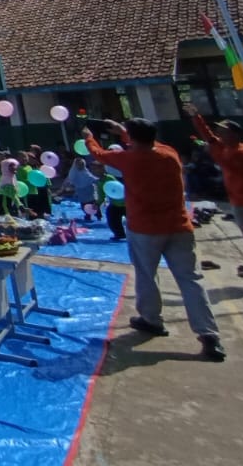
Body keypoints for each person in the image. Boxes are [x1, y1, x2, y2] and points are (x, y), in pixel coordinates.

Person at [84, 120, 225, 361]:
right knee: (191, 280)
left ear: (132, 139)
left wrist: (89, 136)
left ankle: (151, 319)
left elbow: (99, 154)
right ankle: (209, 335)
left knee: (147, 275)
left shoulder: (129, 159)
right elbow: (148, 144)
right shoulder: (168, 153)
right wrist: (124, 132)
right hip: (179, 227)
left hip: (145, 229)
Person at [185, 104, 243, 266]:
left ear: (235, 134)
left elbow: (210, 139)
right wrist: (196, 117)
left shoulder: (240, 152)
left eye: (224, 131)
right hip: (237, 201)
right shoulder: (224, 148)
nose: (219, 133)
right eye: (219, 131)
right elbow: (208, 135)